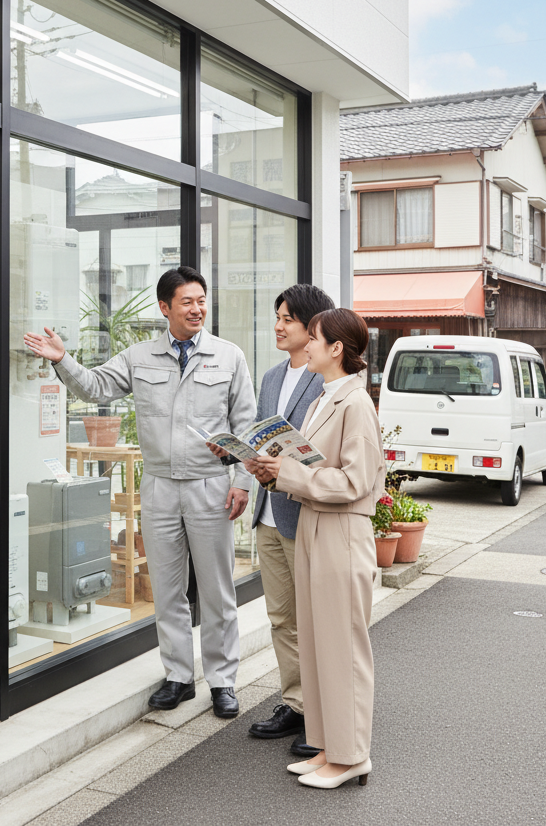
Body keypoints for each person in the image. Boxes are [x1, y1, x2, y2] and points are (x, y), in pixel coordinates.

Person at [23, 266, 256, 719]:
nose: (197, 309)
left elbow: (245, 423)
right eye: (187, 302)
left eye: (201, 300)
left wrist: (243, 480)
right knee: (167, 591)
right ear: (165, 307)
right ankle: (178, 676)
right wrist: (61, 359)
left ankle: (224, 681)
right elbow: (94, 388)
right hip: (159, 487)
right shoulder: (139, 357)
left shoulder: (229, 357)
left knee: (217, 590)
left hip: (211, 485)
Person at [247, 308, 385, 790]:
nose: (305, 345)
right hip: (313, 524)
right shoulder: (326, 397)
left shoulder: (355, 404)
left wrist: (288, 474)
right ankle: (329, 747)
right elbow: (313, 467)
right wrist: (274, 470)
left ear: (335, 350)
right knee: (318, 644)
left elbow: (356, 480)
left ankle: (351, 757)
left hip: (341, 532)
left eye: (315, 338)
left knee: (342, 649)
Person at [245, 285, 334, 755]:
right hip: (267, 511)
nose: (278, 326)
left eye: (287, 319)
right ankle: (295, 704)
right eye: (276, 317)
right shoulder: (270, 377)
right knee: (281, 616)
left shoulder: (327, 382)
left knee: (314, 618)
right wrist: (246, 458)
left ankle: (322, 713)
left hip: (307, 513)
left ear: (313, 327)